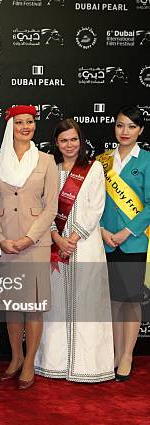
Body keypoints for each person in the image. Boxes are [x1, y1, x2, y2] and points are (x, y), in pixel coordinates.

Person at [35, 119, 114, 382]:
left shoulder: (93, 170)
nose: (69, 145)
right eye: (63, 140)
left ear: (81, 141)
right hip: (55, 245)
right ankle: (54, 363)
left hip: (87, 245)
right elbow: (44, 207)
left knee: (88, 303)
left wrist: (74, 236)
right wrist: (57, 237)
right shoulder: (49, 169)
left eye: (74, 140)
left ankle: (88, 366)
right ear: (56, 143)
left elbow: (96, 207)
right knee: (56, 304)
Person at [0, 105, 58, 390]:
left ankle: (30, 362)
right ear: (11, 125)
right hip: (5, 242)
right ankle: (16, 358)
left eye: (30, 121)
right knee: (11, 307)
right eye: (20, 122)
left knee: (33, 307)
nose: (26, 126)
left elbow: (51, 206)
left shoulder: (46, 161)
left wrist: (30, 237)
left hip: (35, 244)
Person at [98, 105, 149, 382]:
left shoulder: (147, 162)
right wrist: (103, 230)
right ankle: (115, 355)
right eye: (120, 125)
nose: (125, 131)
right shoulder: (102, 161)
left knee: (130, 300)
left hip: (134, 242)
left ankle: (128, 355)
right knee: (113, 301)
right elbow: (93, 204)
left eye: (131, 126)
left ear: (140, 129)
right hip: (105, 241)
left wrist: (127, 231)